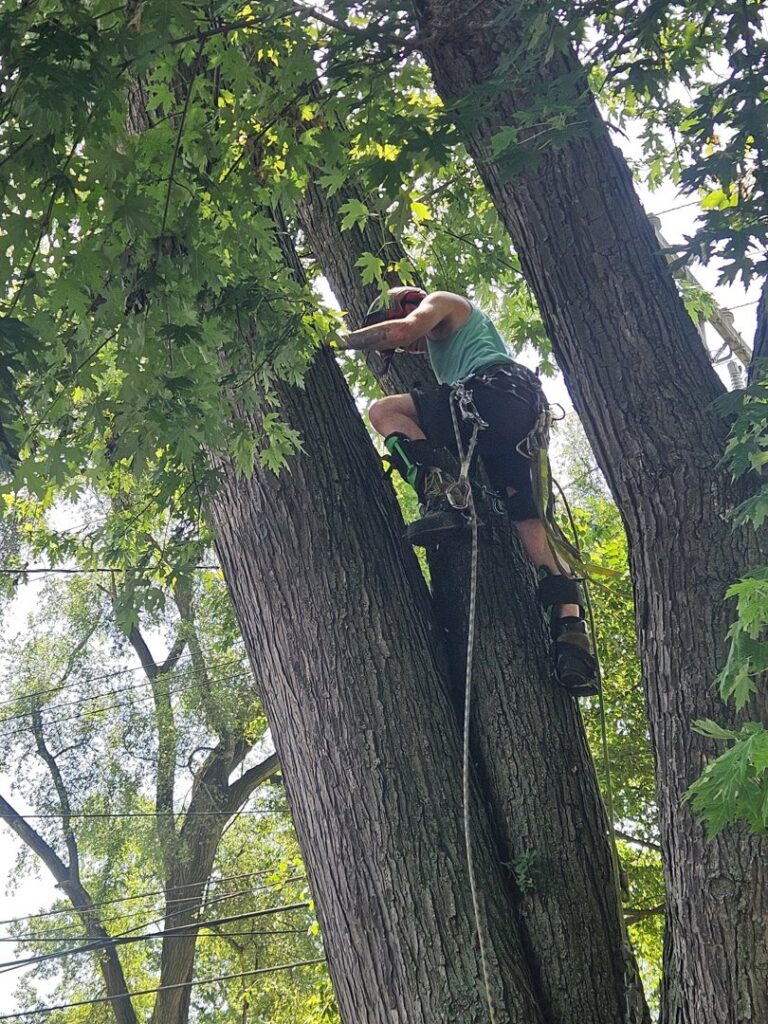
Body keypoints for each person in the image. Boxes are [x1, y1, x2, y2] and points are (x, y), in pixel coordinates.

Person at [340, 286, 598, 697]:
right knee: (528, 521)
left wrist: (336, 341)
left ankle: (439, 492)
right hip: (513, 420)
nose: (408, 353)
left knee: (383, 410)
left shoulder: (444, 303)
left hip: (496, 392)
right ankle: (571, 637)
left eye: (403, 350)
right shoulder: (453, 353)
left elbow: (405, 331)